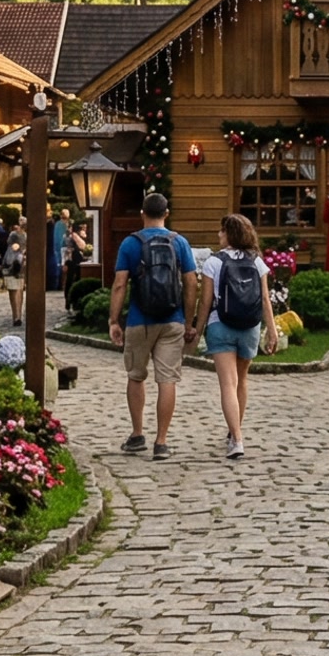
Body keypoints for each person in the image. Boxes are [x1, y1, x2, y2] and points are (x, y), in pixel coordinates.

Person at [109, 192, 199, 459]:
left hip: (139, 319)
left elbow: (120, 284)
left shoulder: (130, 243)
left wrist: (115, 320)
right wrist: (188, 320)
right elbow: (192, 283)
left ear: (142, 214)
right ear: (166, 213)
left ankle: (137, 434)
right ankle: (162, 441)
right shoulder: (179, 242)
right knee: (167, 379)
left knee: (136, 376)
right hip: (173, 320)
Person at [202, 214, 271, 459]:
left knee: (227, 385)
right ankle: (234, 433)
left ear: (229, 234)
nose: (218, 235)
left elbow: (207, 301)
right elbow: (264, 298)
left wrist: (198, 328)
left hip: (221, 325)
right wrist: (271, 330)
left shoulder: (213, 263)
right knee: (241, 381)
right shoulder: (257, 262)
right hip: (250, 327)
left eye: (221, 231)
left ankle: (237, 439)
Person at [0, 208, 27, 301]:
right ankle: (17, 313)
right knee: (18, 287)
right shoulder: (17, 234)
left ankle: (16, 313)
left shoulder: (16, 234)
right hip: (18, 257)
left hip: (16, 258)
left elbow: (11, 244)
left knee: (16, 287)